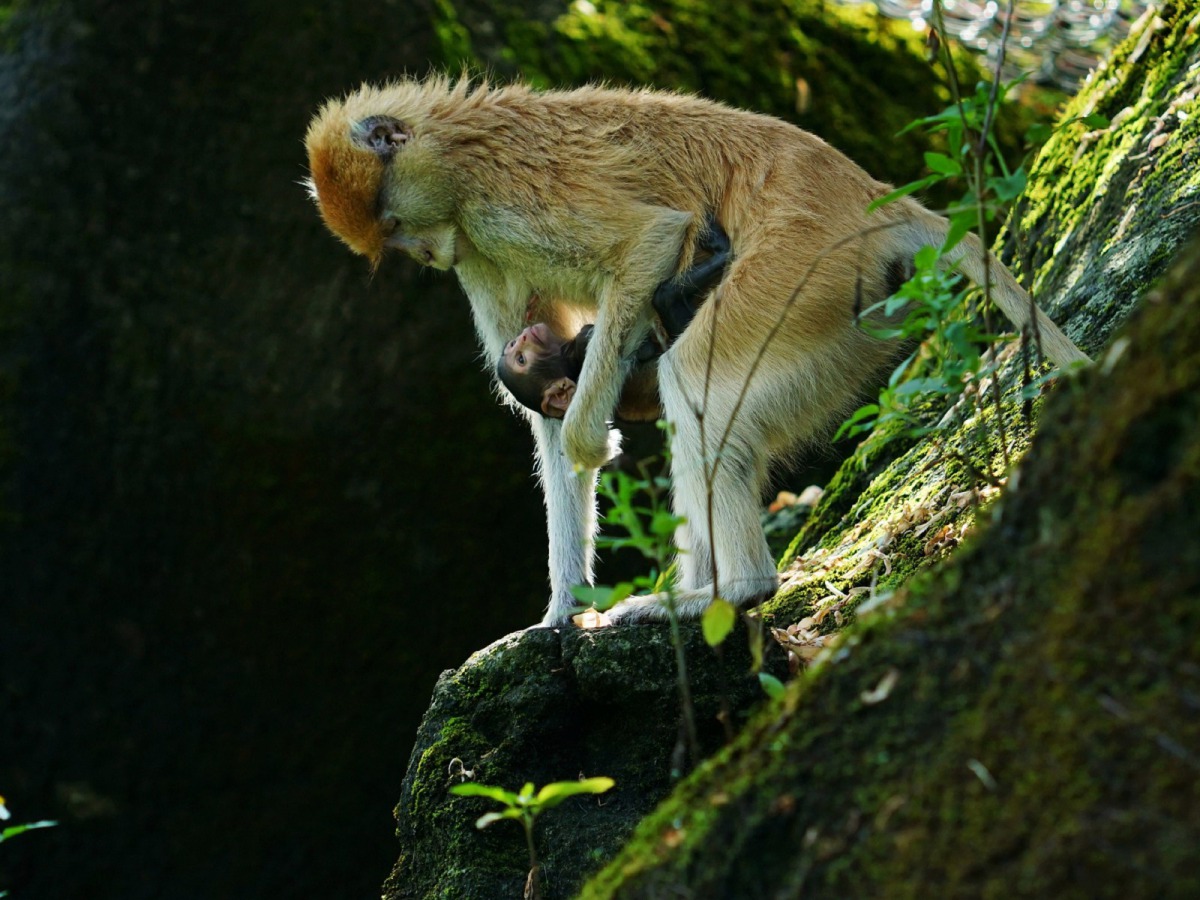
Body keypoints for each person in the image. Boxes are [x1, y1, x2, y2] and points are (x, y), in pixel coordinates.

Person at [497, 217, 731, 421]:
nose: (522, 338)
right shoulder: (588, 350)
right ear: (559, 395)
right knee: (665, 298)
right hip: (693, 360)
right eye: (520, 358)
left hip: (684, 351)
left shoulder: (581, 348)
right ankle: (723, 255)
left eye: (511, 343)